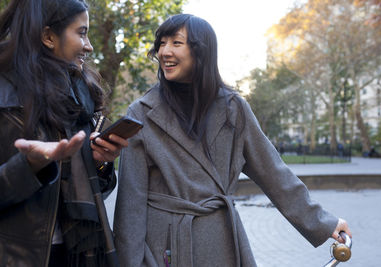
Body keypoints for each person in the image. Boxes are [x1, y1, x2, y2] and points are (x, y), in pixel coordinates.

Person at [114, 14, 352, 266]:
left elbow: (274, 173)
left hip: (222, 241)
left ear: (201, 51)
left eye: (176, 43)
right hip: (165, 247)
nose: (164, 52)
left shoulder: (233, 108)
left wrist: (323, 221)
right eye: (161, 43)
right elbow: (130, 204)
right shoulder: (141, 113)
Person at [0, 0, 128, 266]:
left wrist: (103, 162)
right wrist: (31, 166)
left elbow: (95, 191)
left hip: (79, 254)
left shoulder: (81, 92)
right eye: (81, 33)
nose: (89, 45)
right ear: (48, 36)